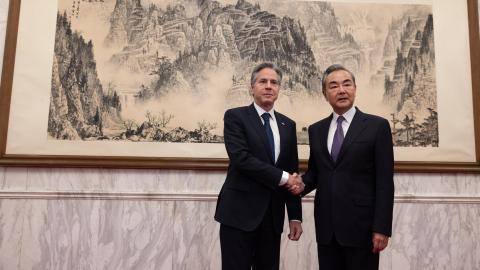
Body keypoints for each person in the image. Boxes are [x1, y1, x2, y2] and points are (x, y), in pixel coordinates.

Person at [302, 64, 394, 270]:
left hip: (362, 228)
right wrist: (295, 184)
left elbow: (385, 182)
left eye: (347, 84)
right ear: (325, 94)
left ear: (355, 88)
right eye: (333, 86)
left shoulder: (377, 126)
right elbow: (316, 173)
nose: (341, 90)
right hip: (327, 228)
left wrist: (381, 228)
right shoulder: (316, 130)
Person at [215, 62, 304, 270]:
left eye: (274, 82)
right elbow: (242, 159)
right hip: (238, 214)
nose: (268, 86)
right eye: (263, 81)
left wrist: (295, 216)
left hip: (272, 217)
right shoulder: (235, 117)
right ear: (252, 87)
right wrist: (284, 178)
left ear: (279, 90)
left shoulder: (288, 125)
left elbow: (292, 170)